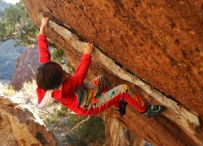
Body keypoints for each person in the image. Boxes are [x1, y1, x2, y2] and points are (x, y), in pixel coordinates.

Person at [36, 16, 164, 117]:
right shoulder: (63, 90)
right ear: (58, 83)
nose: (65, 72)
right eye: (63, 75)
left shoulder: (48, 78)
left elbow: (43, 55)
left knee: (102, 79)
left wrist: (42, 30)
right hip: (90, 105)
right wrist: (86, 55)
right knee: (123, 89)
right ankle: (146, 110)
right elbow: (80, 76)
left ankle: (119, 105)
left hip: (87, 93)